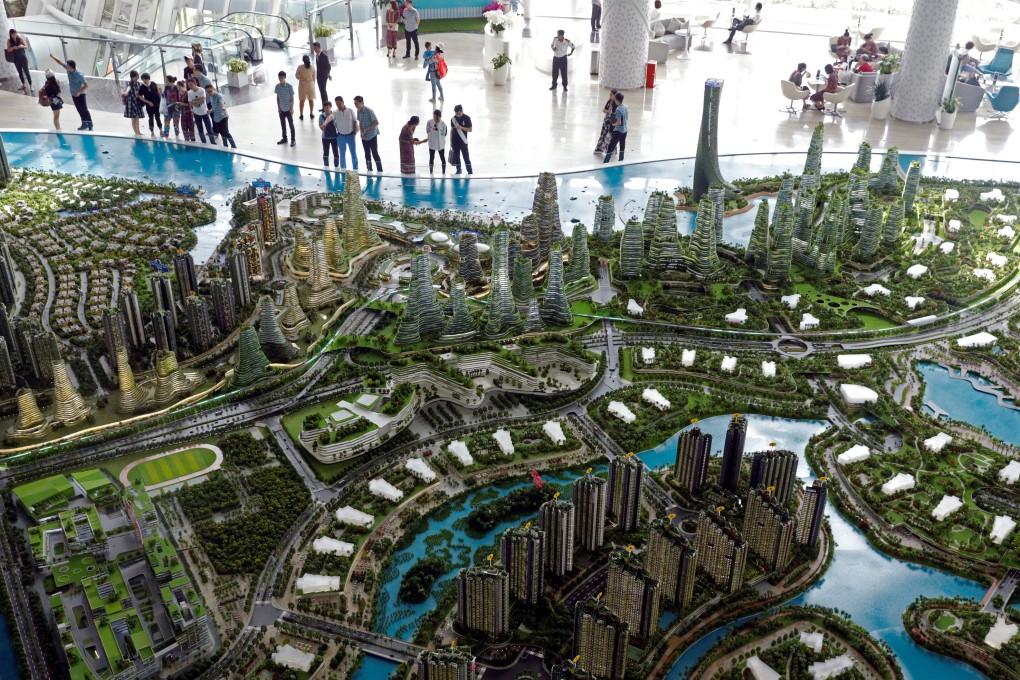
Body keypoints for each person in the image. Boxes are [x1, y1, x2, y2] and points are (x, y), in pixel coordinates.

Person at [50, 52, 93, 130]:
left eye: (68, 66)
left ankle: (90, 125)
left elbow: (86, 85)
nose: (66, 67)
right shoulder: (68, 69)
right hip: (73, 94)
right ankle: (84, 124)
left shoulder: (79, 75)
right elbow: (60, 62)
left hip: (81, 94)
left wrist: (79, 91)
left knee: (84, 109)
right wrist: (53, 56)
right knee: (79, 109)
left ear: (71, 67)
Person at [354, 96, 382, 172]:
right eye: (354, 104)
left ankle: (380, 170)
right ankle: (369, 169)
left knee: (374, 153)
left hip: (372, 135)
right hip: (364, 136)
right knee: (367, 153)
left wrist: (366, 129)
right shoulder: (358, 111)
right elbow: (360, 122)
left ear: (362, 103)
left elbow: (376, 122)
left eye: (357, 103)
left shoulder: (369, 111)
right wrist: (361, 132)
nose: (355, 105)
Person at [206, 84, 237, 148]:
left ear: (213, 89)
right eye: (207, 92)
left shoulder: (219, 96)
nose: (209, 93)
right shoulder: (211, 97)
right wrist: (210, 111)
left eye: (210, 91)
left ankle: (233, 146)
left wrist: (223, 108)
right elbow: (214, 107)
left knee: (225, 132)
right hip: (216, 117)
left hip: (223, 117)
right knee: (221, 132)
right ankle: (225, 145)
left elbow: (222, 103)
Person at [333, 96, 359, 170]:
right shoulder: (335, 112)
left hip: (350, 135)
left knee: (353, 153)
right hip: (340, 136)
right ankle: (343, 170)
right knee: (342, 154)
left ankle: (355, 169)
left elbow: (354, 121)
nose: (338, 105)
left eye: (339, 103)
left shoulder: (350, 110)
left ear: (343, 102)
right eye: (336, 104)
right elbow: (331, 119)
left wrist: (355, 131)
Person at [187, 77, 216, 143]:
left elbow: (202, 101)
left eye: (191, 85)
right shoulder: (189, 92)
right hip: (196, 113)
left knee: (209, 128)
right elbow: (190, 104)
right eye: (188, 85)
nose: (190, 86)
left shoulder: (202, 90)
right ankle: (203, 142)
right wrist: (197, 101)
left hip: (204, 112)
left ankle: (213, 142)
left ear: (195, 83)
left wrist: (194, 101)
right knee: (200, 129)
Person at [602, 91, 628, 163]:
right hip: (625, 129)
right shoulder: (625, 106)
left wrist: (613, 124)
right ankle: (621, 160)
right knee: (622, 145)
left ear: (616, 100)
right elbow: (626, 118)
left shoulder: (618, 109)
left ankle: (606, 162)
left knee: (611, 146)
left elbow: (618, 122)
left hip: (618, 130)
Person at [6, 29, 32, 94]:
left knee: (26, 71)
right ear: (10, 35)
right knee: (20, 72)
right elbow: (8, 50)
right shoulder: (9, 41)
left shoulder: (20, 39)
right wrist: (13, 48)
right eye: (12, 34)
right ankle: (23, 84)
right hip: (16, 59)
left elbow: (26, 46)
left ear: (16, 33)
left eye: (14, 34)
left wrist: (21, 46)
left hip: (23, 58)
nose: (14, 35)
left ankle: (31, 85)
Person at [449, 105, 472, 175]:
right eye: (456, 114)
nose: (458, 115)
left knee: (466, 157)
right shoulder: (453, 119)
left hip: (463, 141)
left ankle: (470, 171)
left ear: (462, 111)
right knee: (456, 156)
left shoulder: (467, 118)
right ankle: (458, 170)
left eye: (459, 113)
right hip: (455, 141)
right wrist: (450, 141)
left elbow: (470, 129)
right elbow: (451, 130)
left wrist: (461, 127)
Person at [275, 71, 296, 146]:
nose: (280, 79)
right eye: (279, 78)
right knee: (283, 125)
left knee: (291, 125)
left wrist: (292, 108)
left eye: (282, 78)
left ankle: (293, 140)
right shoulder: (277, 86)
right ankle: (284, 138)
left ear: (285, 78)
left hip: (288, 109)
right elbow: (277, 98)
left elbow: (292, 98)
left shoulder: (289, 86)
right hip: (281, 109)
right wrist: (278, 108)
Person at [594, 88, 618, 154]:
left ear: (615, 96)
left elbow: (616, 114)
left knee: (610, 135)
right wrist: (606, 111)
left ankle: (610, 150)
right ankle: (599, 149)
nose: (610, 96)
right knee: (603, 134)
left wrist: (611, 114)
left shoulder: (616, 104)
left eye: (611, 95)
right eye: (609, 95)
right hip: (606, 121)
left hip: (611, 122)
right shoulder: (608, 102)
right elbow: (605, 109)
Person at [425, 109, 447, 173]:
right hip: (432, 143)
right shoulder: (429, 122)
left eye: (436, 117)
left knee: (442, 158)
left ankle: (443, 171)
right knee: (431, 158)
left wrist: (438, 130)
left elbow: (444, 134)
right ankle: (431, 171)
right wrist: (432, 130)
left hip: (440, 144)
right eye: (434, 116)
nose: (435, 118)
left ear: (440, 117)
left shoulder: (443, 124)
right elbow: (427, 130)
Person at [319, 101, 340, 168]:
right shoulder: (321, 116)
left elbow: (338, 125)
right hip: (325, 138)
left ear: (330, 107)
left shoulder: (335, 115)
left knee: (336, 152)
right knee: (326, 152)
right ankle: (326, 166)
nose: (326, 109)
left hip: (334, 137)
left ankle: (336, 166)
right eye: (324, 108)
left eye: (327, 107)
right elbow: (321, 127)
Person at [123, 70, 145, 135]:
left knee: (137, 118)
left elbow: (140, 91)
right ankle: (136, 132)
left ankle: (138, 131)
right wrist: (126, 91)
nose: (135, 78)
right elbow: (128, 88)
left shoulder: (138, 83)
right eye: (134, 77)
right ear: (131, 77)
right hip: (131, 103)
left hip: (137, 102)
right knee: (133, 118)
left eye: (136, 76)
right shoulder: (129, 83)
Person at [295, 55, 316, 120]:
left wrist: (301, 79)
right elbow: (314, 77)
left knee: (302, 100)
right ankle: (311, 113)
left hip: (302, 85)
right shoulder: (312, 67)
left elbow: (296, 76)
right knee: (311, 99)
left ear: (303, 60)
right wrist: (313, 84)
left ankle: (301, 114)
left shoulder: (300, 67)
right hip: (310, 85)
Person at [313, 42, 331, 107]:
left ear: (319, 47)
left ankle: (326, 106)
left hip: (323, 76)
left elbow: (328, 66)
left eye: (316, 48)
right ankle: (324, 106)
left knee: (323, 91)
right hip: (318, 76)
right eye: (314, 48)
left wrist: (327, 74)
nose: (315, 50)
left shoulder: (324, 56)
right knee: (321, 91)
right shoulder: (317, 55)